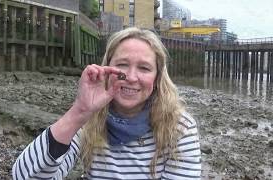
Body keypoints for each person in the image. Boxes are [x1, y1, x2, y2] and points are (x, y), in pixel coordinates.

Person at [12, 27, 201, 179]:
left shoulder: (180, 127)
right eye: (122, 65)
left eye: (144, 68)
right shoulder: (89, 121)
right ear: (107, 68)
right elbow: (23, 176)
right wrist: (79, 111)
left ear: (157, 77)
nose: (131, 77)